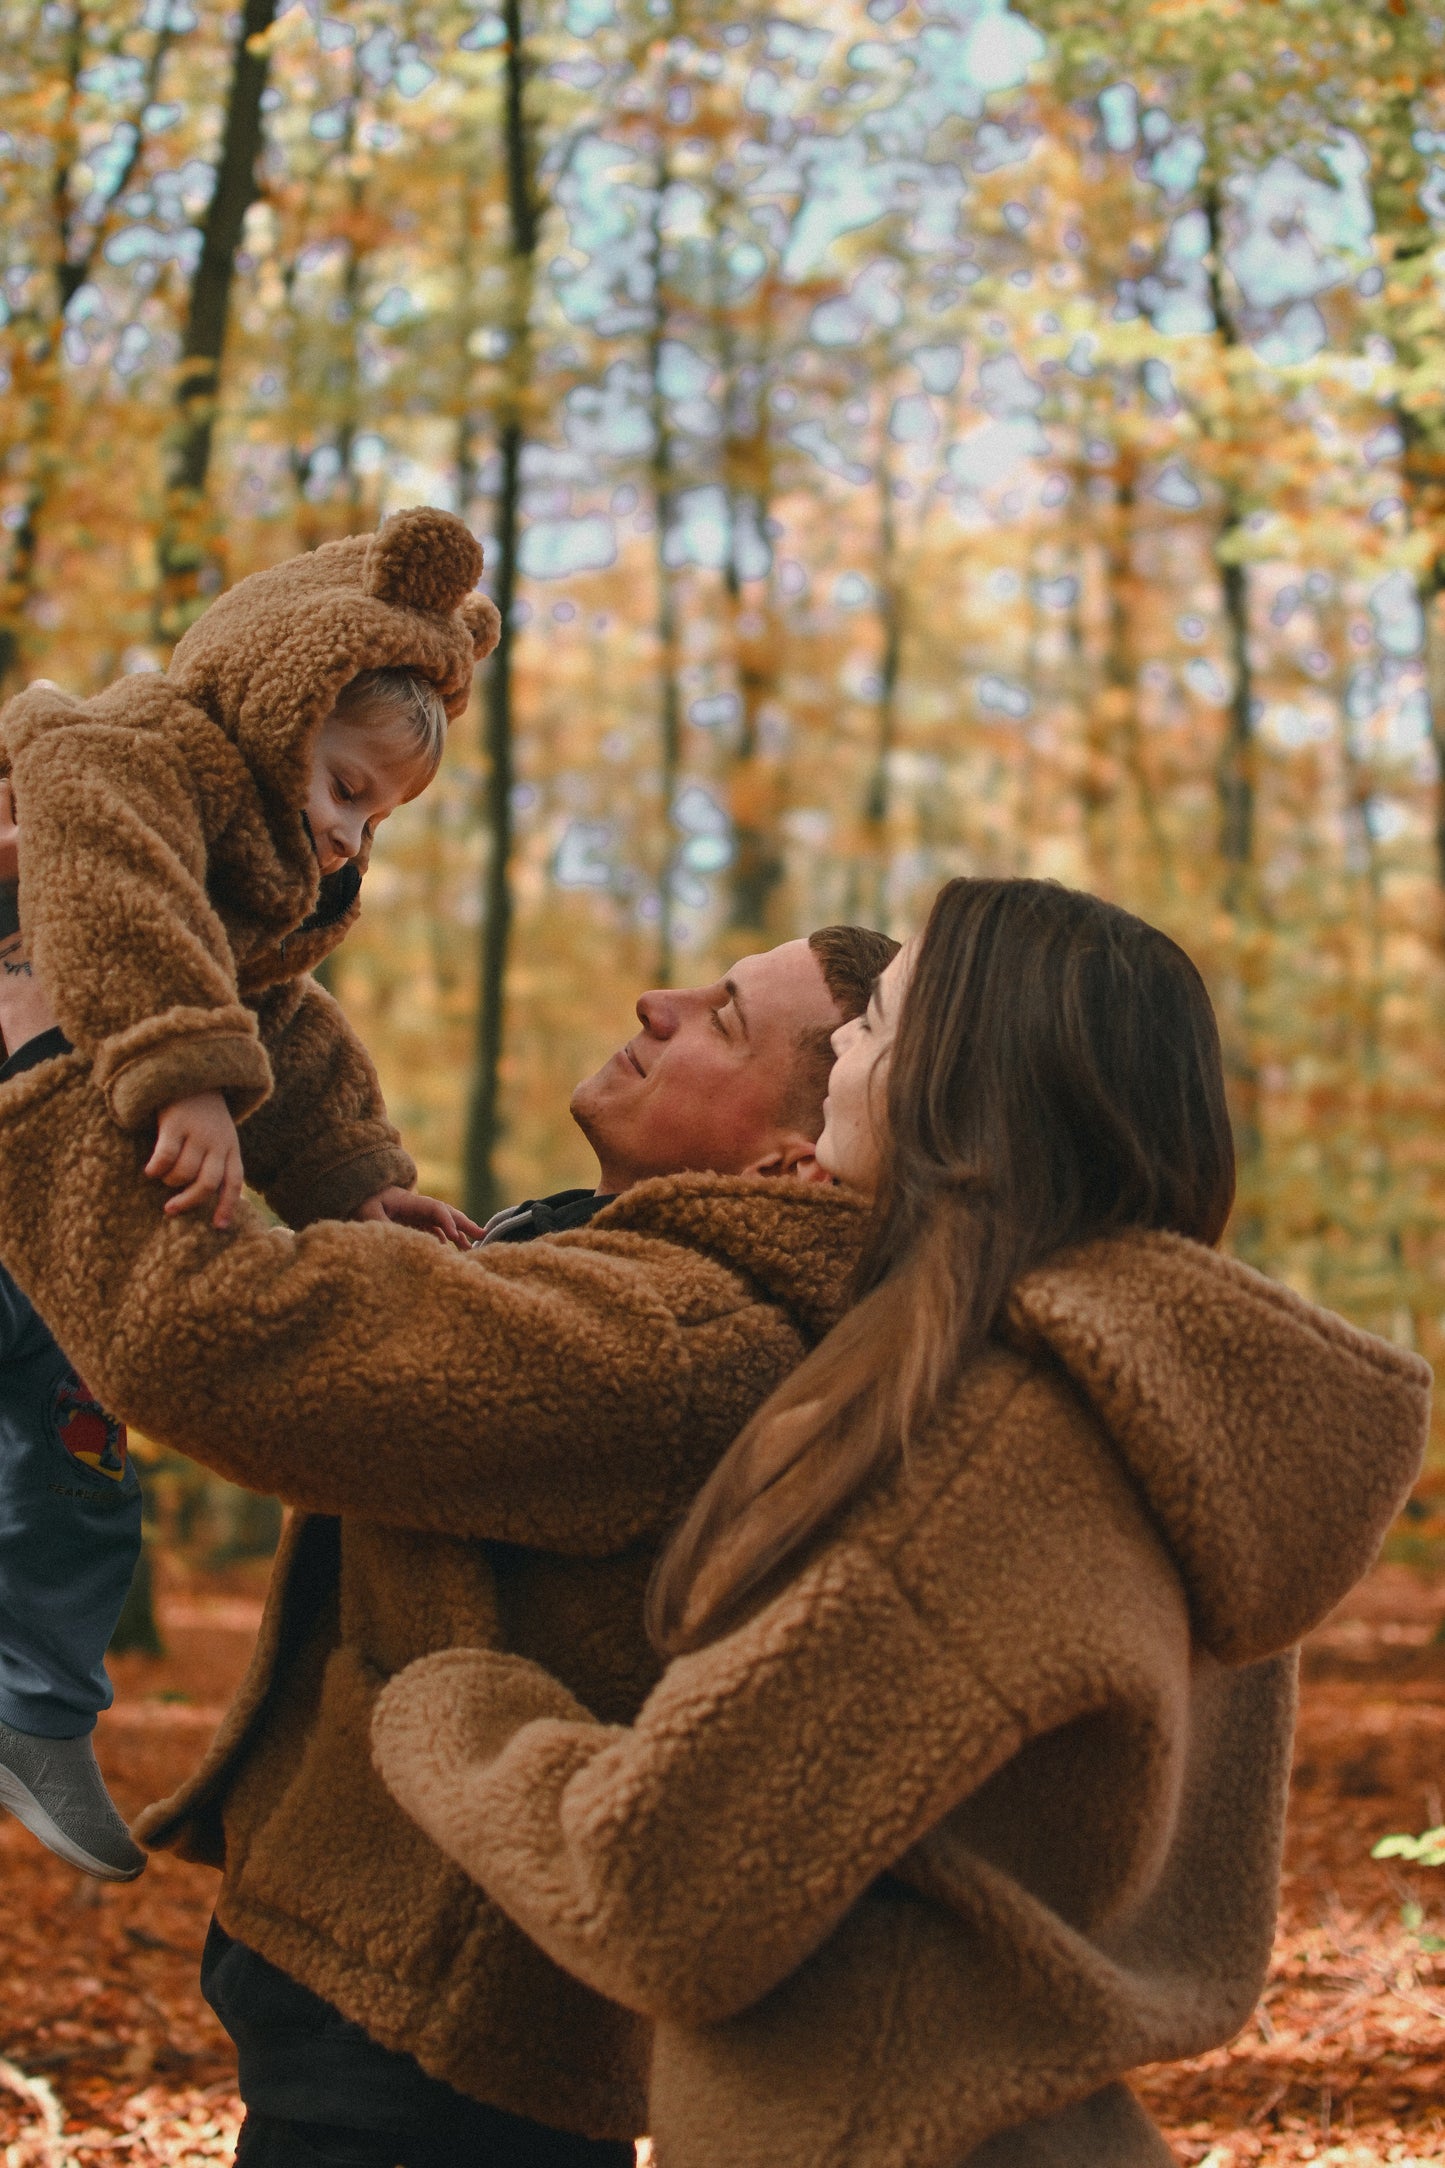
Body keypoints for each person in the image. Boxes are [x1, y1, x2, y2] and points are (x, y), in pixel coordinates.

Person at [368, 877, 1432, 2168]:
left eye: (874, 1023)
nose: (839, 1067)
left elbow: (655, 1890)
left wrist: (449, 1706)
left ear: (960, 1081)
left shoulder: (1008, 1449)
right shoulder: (1179, 1428)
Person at [0, 914, 895, 2166]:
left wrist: (39, 1055)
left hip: (429, 2063)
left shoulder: (682, 1342)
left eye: (724, 1016)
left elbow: (204, 1337)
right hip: (412, 2025)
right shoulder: (626, 1274)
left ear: (794, 1162)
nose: (655, 1001)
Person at [0, 508, 497, 1884]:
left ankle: (35, 1712)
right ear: (278, 701)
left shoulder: (263, 891)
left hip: (38, 1203)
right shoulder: (128, 752)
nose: (347, 838)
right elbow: (110, 888)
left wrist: (354, 1184)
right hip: (24, 1108)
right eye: (344, 788)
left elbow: (288, 1026)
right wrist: (184, 1077)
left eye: (375, 818)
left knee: (75, 1458)